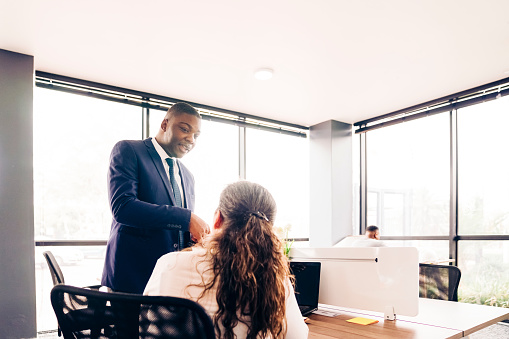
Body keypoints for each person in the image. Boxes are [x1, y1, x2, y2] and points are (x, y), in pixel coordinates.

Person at [144, 181, 309, 339]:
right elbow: (298, 336)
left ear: (217, 218)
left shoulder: (168, 264)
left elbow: (144, 326)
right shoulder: (274, 277)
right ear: (268, 229)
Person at [101, 102, 210, 294]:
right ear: (165, 124)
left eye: (196, 136)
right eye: (185, 129)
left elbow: (177, 231)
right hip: (132, 279)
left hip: (170, 282)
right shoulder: (129, 151)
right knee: (130, 326)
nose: (191, 139)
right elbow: (123, 208)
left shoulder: (188, 176)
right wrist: (186, 218)